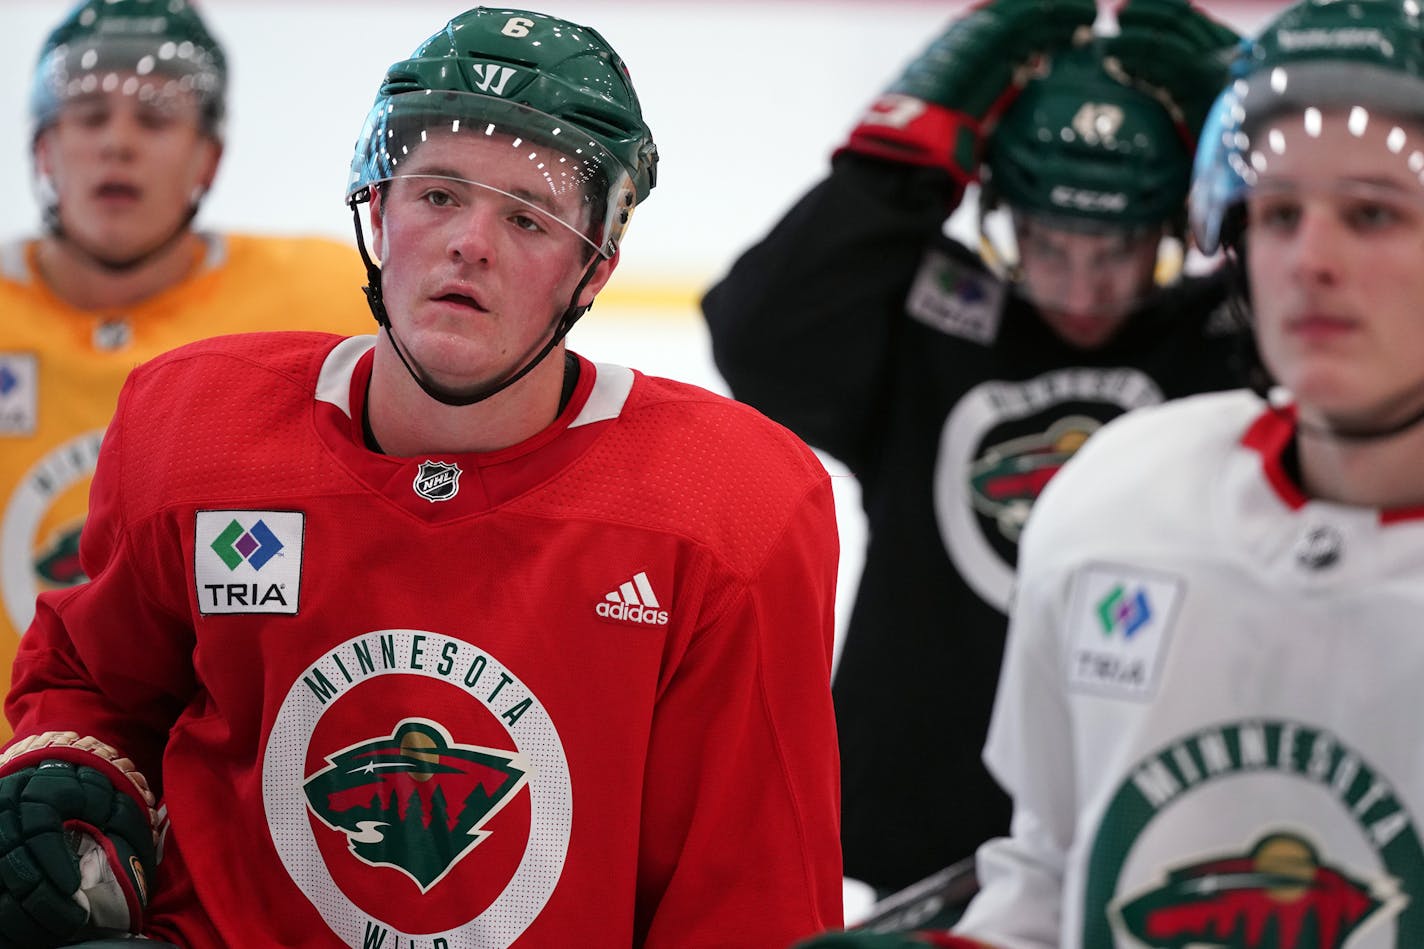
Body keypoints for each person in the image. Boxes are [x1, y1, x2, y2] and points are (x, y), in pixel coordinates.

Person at [0, 6, 845, 948]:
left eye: (527, 215)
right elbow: (95, 685)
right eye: (438, 194)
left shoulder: (731, 509)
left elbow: (748, 897)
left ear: (594, 266)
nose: (470, 242)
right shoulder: (194, 427)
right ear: (378, 205)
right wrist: (75, 783)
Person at [800, 0, 1424, 946]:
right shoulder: (1118, 488)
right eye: (1278, 210)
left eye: (1372, 211)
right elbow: (1058, 867)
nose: (1312, 262)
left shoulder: (1178, 377)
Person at [701, 0, 1243, 898]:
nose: (1079, 285)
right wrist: (896, 159)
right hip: (932, 834)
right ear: (997, 215)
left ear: (1178, 226)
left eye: (1114, 248)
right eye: (1045, 243)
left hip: (1168, 813)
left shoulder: (1228, 340)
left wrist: (1264, 157)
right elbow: (760, 333)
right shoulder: (937, 326)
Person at [0, 0, 370, 746]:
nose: (118, 145)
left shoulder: (322, 297)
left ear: (208, 158)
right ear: (43, 149)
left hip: (210, 791)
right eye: (88, 116)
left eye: (157, 119)